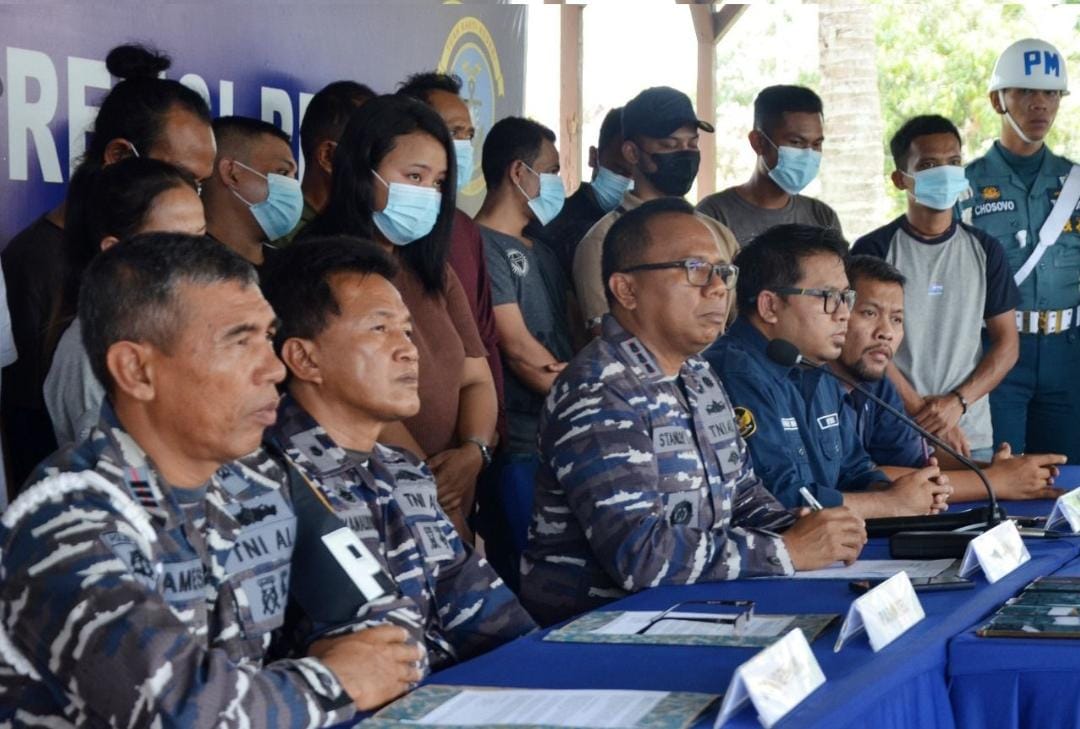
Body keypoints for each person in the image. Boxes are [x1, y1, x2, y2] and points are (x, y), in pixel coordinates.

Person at [0, 233, 424, 725]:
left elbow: (390, 617)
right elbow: (186, 715)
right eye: (239, 340)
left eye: (268, 337)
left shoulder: (264, 478)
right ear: (137, 370)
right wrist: (336, 679)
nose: (272, 368)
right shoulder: (66, 515)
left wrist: (324, 675)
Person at [521, 199, 867, 626]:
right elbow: (640, 555)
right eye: (695, 271)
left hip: (697, 604)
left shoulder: (699, 373)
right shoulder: (600, 388)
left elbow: (740, 492)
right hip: (602, 625)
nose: (719, 288)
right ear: (626, 290)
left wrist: (807, 528)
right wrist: (787, 550)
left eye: (723, 273)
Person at [262, 236, 536, 666]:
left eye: (406, 330)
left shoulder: (403, 469)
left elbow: (488, 616)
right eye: (379, 328)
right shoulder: (268, 482)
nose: (408, 349)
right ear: (304, 359)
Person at [1, 43, 215, 486]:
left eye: (200, 184)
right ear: (119, 157)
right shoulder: (34, 263)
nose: (193, 197)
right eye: (182, 178)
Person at [301, 95, 497, 541]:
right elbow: (361, 402)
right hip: (377, 511)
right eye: (413, 177)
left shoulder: (431, 268)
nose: (427, 194)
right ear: (360, 171)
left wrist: (473, 452)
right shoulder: (320, 270)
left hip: (452, 497)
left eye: (438, 182)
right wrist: (432, 494)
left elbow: (477, 378)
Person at [704, 224, 951, 518]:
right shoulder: (734, 373)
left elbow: (854, 470)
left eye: (846, 298)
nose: (844, 313)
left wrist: (905, 492)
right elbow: (775, 499)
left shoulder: (817, 371)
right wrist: (889, 504)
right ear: (769, 306)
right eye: (828, 297)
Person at [852, 115, 1020, 462]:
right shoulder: (873, 248)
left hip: (969, 432)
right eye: (928, 165)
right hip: (892, 429)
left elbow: (1007, 344)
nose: (944, 172)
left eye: (954, 162)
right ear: (901, 179)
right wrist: (923, 412)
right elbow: (861, 342)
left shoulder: (986, 249)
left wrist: (957, 403)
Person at [836, 255, 1067, 501]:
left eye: (897, 319)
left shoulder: (875, 383)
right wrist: (994, 481)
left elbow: (914, 461)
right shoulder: (812, 385)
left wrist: (1002, 471)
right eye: (870, 313)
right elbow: (866, 481)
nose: (886, 333)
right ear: (837, 314)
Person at [961, 38, 1079, 462]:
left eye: (1051, 93)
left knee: (1070, 478)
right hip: (995, 352)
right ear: (998, 100)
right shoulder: (964, 184)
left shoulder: (1074, 183)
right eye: (1026, 92)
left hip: (1069, 352)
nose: (1040, 105)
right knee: (1000, 470)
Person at [472, 117, 577, 583]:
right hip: (518, 445)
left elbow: (567, 343)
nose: (558, 183)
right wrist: (582, 384)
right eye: (551, 170)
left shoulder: (544, 250)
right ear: (519, 173)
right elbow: (519, 352)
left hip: (564, 439)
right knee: (527, 580)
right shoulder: (478, 244)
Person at [43, 158, 207, 449]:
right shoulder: (89, 352)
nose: (196, 257)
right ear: (115, 251)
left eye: (199, 237)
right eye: (174, 243)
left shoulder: (182, 320)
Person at [572, 86, 738, 336]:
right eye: (669, 145)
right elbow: (606, 338)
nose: (685, 154)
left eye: (692, 144)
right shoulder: (604, 240)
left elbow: (739, 322)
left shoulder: (718, 233)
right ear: (632, 152)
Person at [397, 71, 505, 442]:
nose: (461, 144)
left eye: (467, 135)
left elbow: (481, 353)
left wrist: (479, 446)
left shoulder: (461, 229)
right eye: (451, 131)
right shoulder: (341, 262)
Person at [696, 85, 841, 246]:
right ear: (758, 142)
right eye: (796, 142)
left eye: (816, 144)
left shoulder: (822, 217)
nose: (808, 154)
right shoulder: (715, 215)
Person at [277, 80, 375, 245]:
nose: (384, 164)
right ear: (328, 156)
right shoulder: (288, 238)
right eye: (374, 151)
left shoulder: (369, 230)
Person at [537, 107, 632, 276]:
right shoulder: (555, 226)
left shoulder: (653, 224)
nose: (629, 183)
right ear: (593, 157)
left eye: (637, 175)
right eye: (620, 171)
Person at [202, 116, 302, 268]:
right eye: (282, 172)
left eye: (293, 176)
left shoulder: (291, 269)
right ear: (232, 173)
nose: (292, 186)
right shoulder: (190, 266)